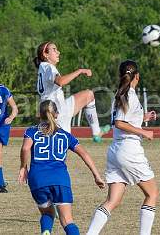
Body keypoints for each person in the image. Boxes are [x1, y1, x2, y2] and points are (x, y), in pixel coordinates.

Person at [86, 60, 158, 235]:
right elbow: (119, 123)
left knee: (113, 201)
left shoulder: (120, 94)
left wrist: (143, 117)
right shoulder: (129, 95)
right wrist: (144, 132)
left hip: (116, 152)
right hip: (129, 151)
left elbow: (123, 119)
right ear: (137, 77)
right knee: (152, 194)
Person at [18, 100, 105, 235]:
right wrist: (96, 175)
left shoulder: (32, 131)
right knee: (67, 221)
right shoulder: (65, 135)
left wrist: (23, 167)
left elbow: (25, 149)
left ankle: (46, 231)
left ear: (39, 115)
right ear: (56, 115)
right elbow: (84, 154)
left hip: (38, 179)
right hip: (60, 180)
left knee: (47, 212)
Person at [33, 41, 110, 142]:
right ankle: (95, 133)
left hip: (59, 107)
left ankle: (97, 132)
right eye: (54, 50)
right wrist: (79, 71)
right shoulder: (48, 66)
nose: (58, 52)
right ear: (45, 54)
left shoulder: (43, 67)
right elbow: (61, 81)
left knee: (89, 95)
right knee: (63, 146)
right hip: (57, 112)